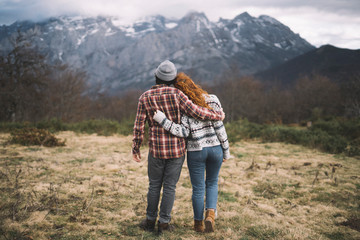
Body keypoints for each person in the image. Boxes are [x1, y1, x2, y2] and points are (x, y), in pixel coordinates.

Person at [132, 60, 225, 234]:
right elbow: (197, 112)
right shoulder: (177, 95)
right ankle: (164, 223)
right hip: (176, 151)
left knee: (153, 186)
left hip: (156, 150)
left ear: (156, 77)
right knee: (169, 187)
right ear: (173, 79)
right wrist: (217, 115)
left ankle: (150, 221)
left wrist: (136, 148)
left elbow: (139, 126)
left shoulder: (145, 97)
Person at [152, 72, 230, 233]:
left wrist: (163, 121)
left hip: (196, 151)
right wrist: (226, 150)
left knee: (198, 188)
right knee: (212, 182)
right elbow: (219, 127)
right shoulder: (213, 99)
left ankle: (198, 224)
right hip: (215, 148)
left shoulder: (184, 107)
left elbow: (183, 132)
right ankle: (210, 214)